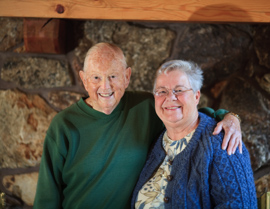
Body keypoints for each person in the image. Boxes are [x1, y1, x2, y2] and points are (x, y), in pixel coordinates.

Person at [33, 43, 243, 209]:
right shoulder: (64, 125)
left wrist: (230, 117)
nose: (105, 86)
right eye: (96, 77)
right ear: (84, 80)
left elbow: (187, 114)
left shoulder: (146, 106)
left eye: (113, 76)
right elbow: (46, 199)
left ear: (127, 77)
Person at [131, 60, 257, 208]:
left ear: (196, 96)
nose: (170, 97)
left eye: (179, 90)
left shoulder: (224, 142)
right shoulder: (156, 143)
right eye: (162, 91)